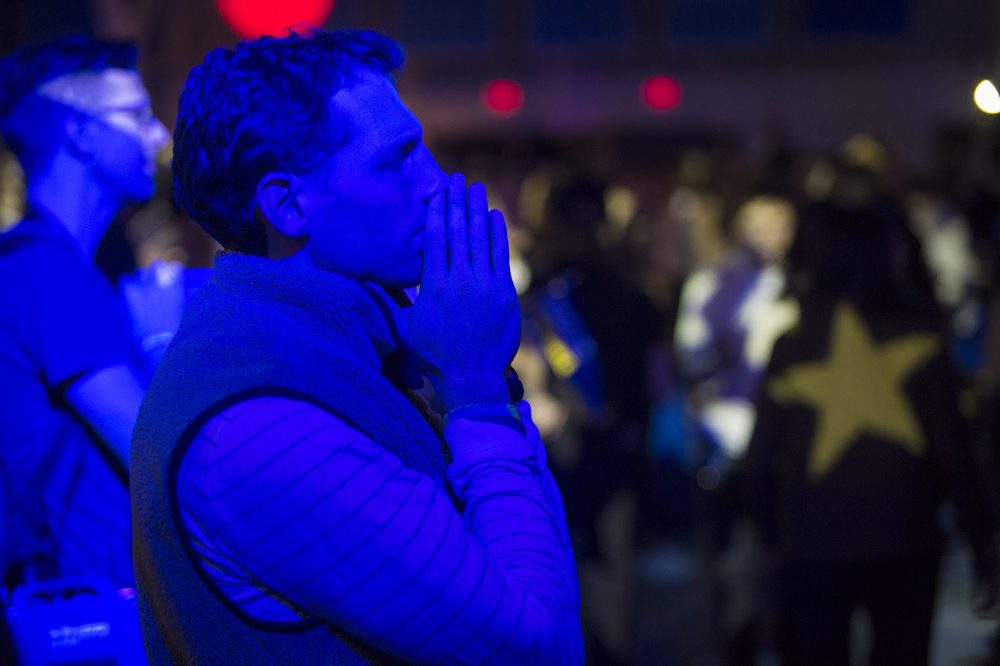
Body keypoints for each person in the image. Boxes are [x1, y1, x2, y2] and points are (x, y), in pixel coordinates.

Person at [131, 29, 583, 664]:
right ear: (288, 207)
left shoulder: (344, 347)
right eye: (397, 159)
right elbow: (538, 647)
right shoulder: (258, 423)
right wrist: (479, 392)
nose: (436, 181)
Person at [744, 201, 998, 665]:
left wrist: (771, 537)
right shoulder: (921, 339)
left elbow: (760, 457)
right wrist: (979, 537)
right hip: (904, 536)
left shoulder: (793, 346)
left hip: (814, 539)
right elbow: (952, 453)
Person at [0, 35, 170, 594]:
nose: (159, 136)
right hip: (88, 607)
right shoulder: (48, 269)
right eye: (137, 115)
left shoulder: (44, 264)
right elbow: (156, 450)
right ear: (79, 132)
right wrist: (163, 337)